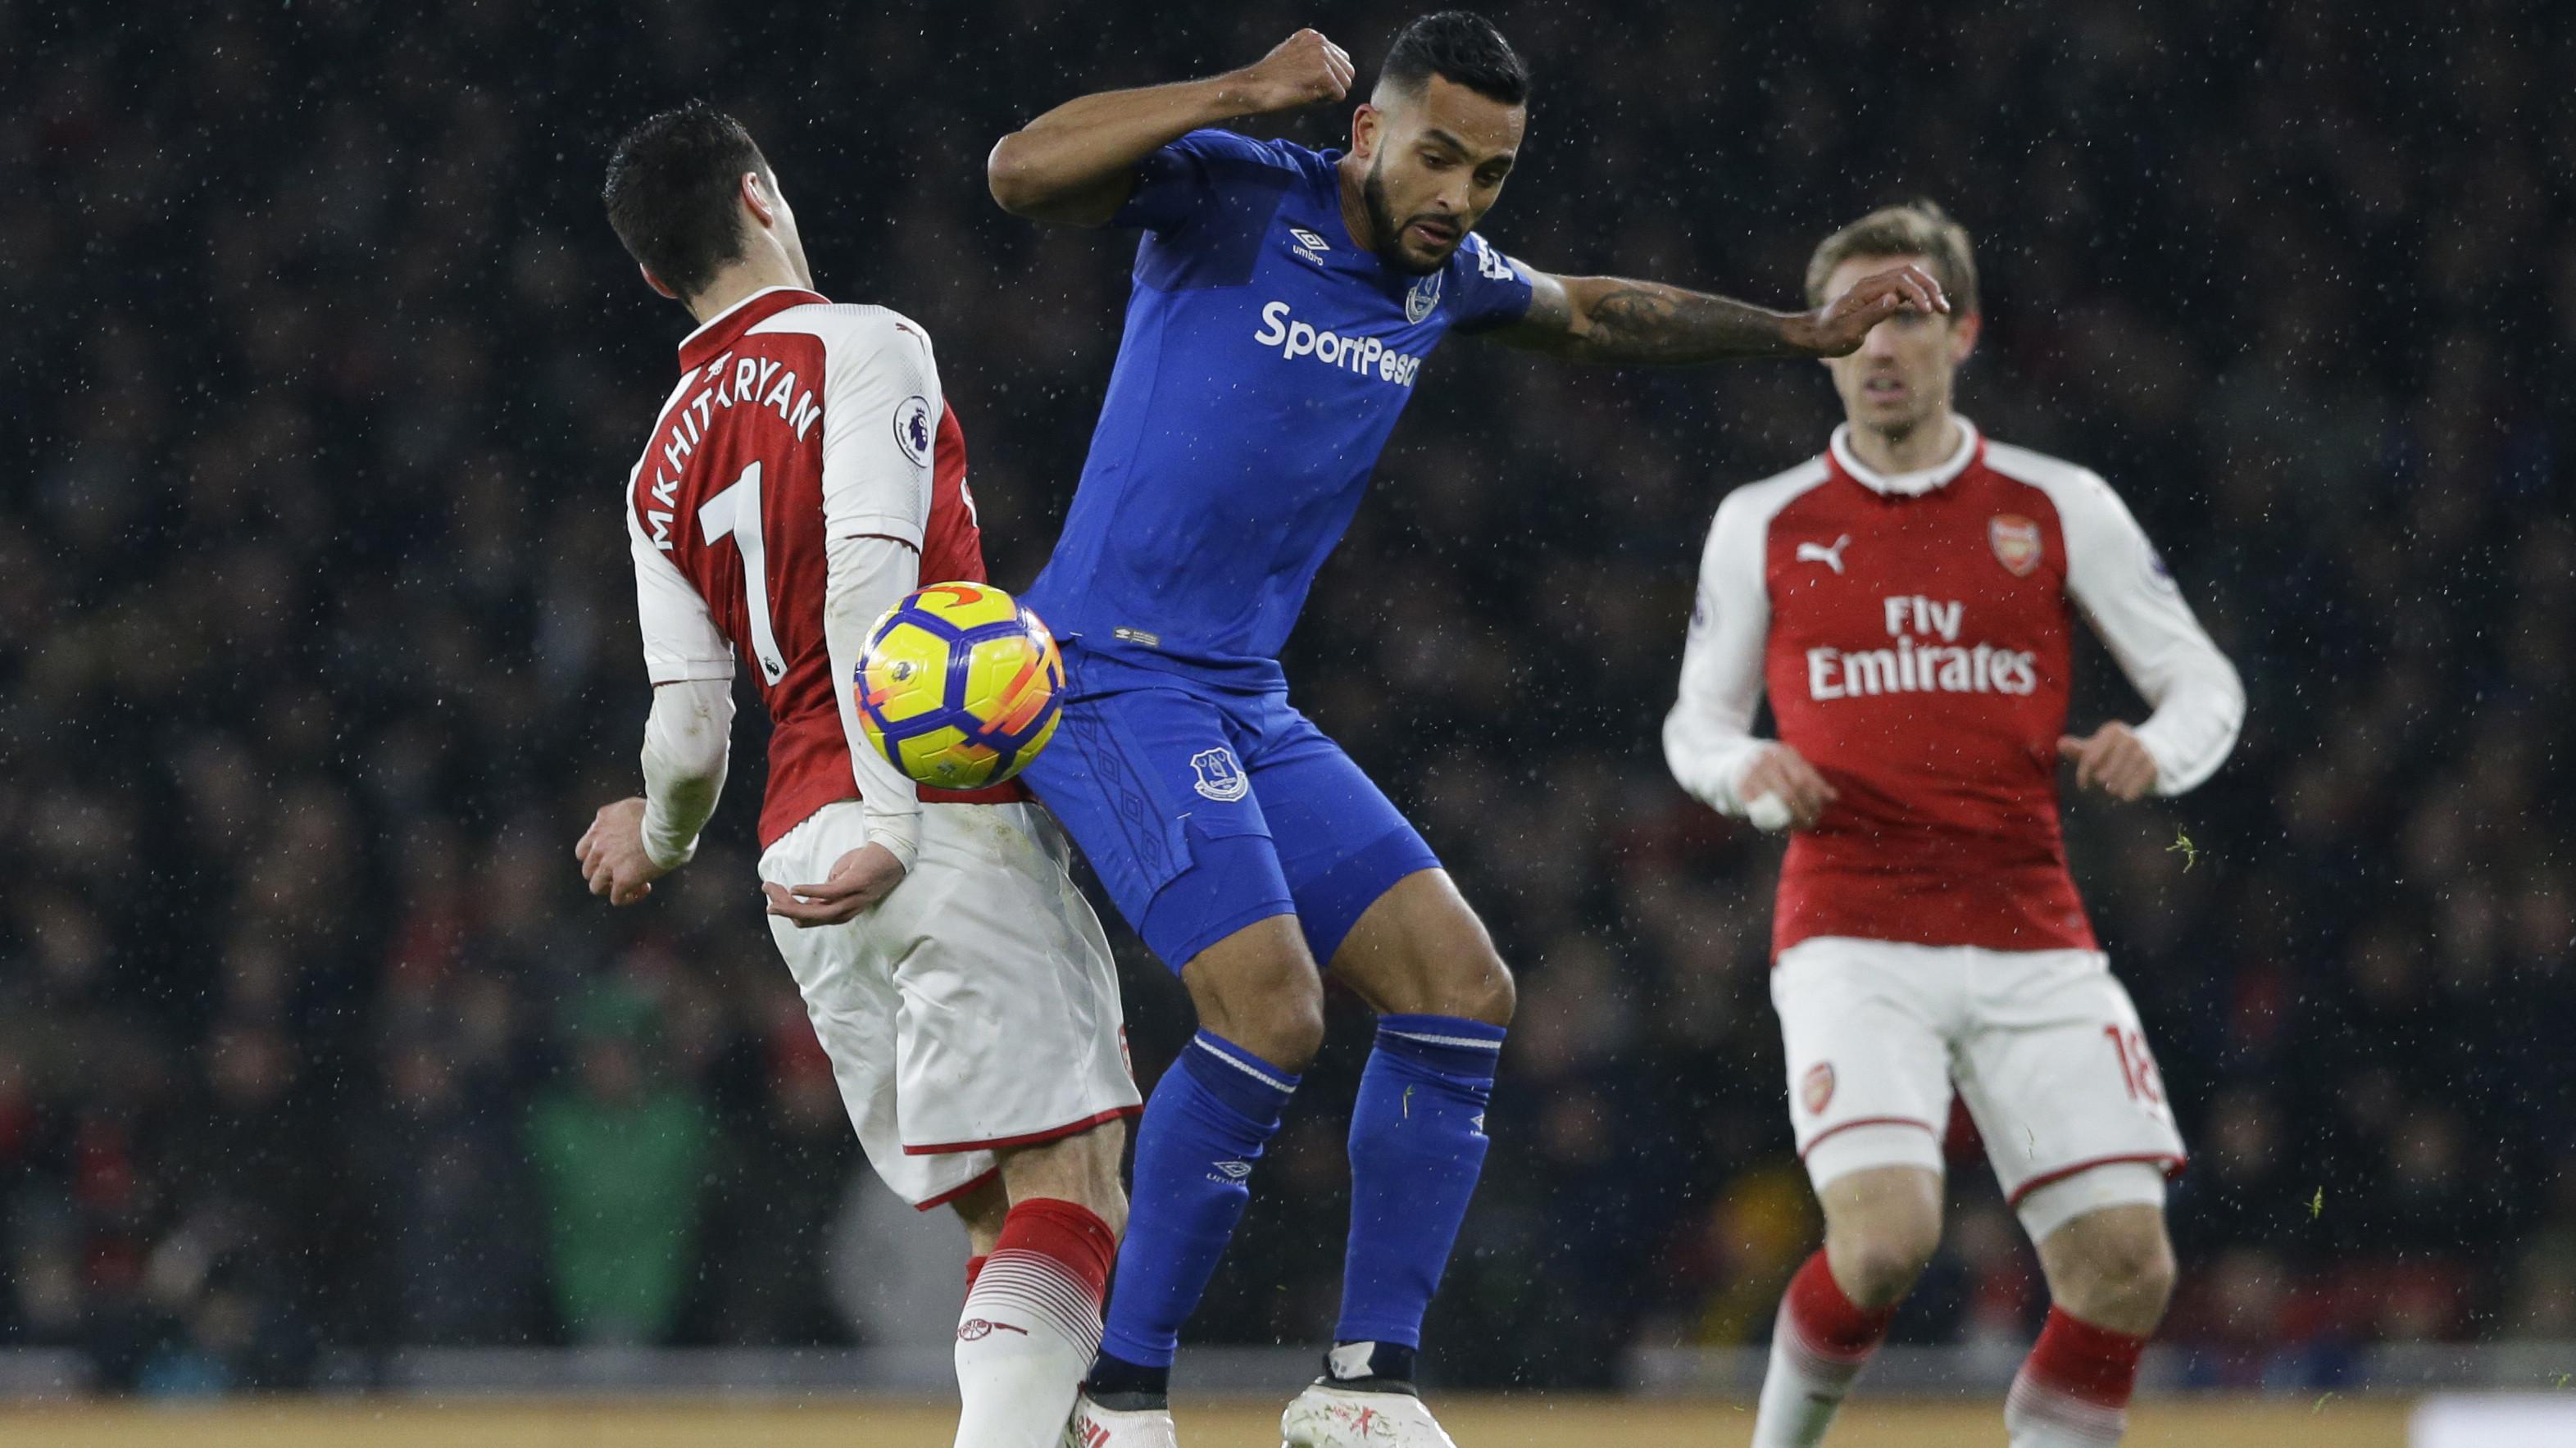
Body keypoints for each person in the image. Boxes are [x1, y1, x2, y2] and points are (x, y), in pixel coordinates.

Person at [984, 14, 1947, 1445]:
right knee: (1274, 1008)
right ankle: (1116, 1396)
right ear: (1366, 131)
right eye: (1437, 156)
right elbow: (1016, 171)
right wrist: (1247, 87)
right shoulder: (1243, 189)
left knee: (1461, 985)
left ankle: (1361, 1390)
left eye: (1490, 175)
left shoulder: (1441, 283)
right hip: (1107, 672)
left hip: (1245, 700)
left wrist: (1798, 332)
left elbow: (1594, 310)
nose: (1460, 199)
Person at [574, 102, 1139, 1448]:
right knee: (1078, 1179)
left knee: (1008, 1221)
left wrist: (657, 838)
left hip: (797, 864)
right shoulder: (865, 343)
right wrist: (894, 808)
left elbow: (691, 729)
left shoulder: (657, 462)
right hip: (928, 812)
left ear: (656, 275)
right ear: (762, 195)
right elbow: (876, 588)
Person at [1663, 201, 2246, 1447]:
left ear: (1965, 332)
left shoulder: (2056, 505)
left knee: (2129, 1269)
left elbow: (2205, 685)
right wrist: (1745, 771)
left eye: (1907, 315)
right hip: (1852, 933)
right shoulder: (1761, 522)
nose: (1878, 344)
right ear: (1820, 344)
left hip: (2033, 931)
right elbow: (1693, 729)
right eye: (1850, 321)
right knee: (1884, 1244)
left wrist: (2165, 748)